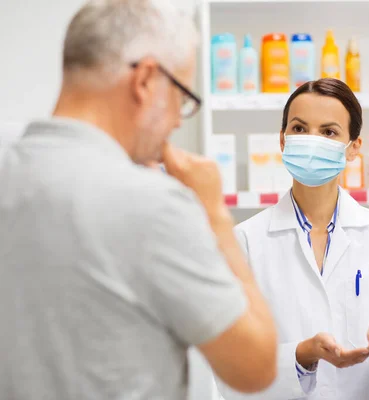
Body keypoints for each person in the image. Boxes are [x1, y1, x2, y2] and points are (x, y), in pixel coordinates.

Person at [0, 1, 277, 399]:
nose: (179, 122)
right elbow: (255, 368)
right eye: (182, 98)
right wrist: (214, 215)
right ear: (146, 80)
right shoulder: (154, 205)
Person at [216, 78, 369, 400]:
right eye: (300, 129)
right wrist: (301, 355)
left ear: (353, 148)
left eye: (328, 132)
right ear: (283, 140)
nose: (311, 142)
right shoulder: (244, 241)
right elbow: (231, 365)